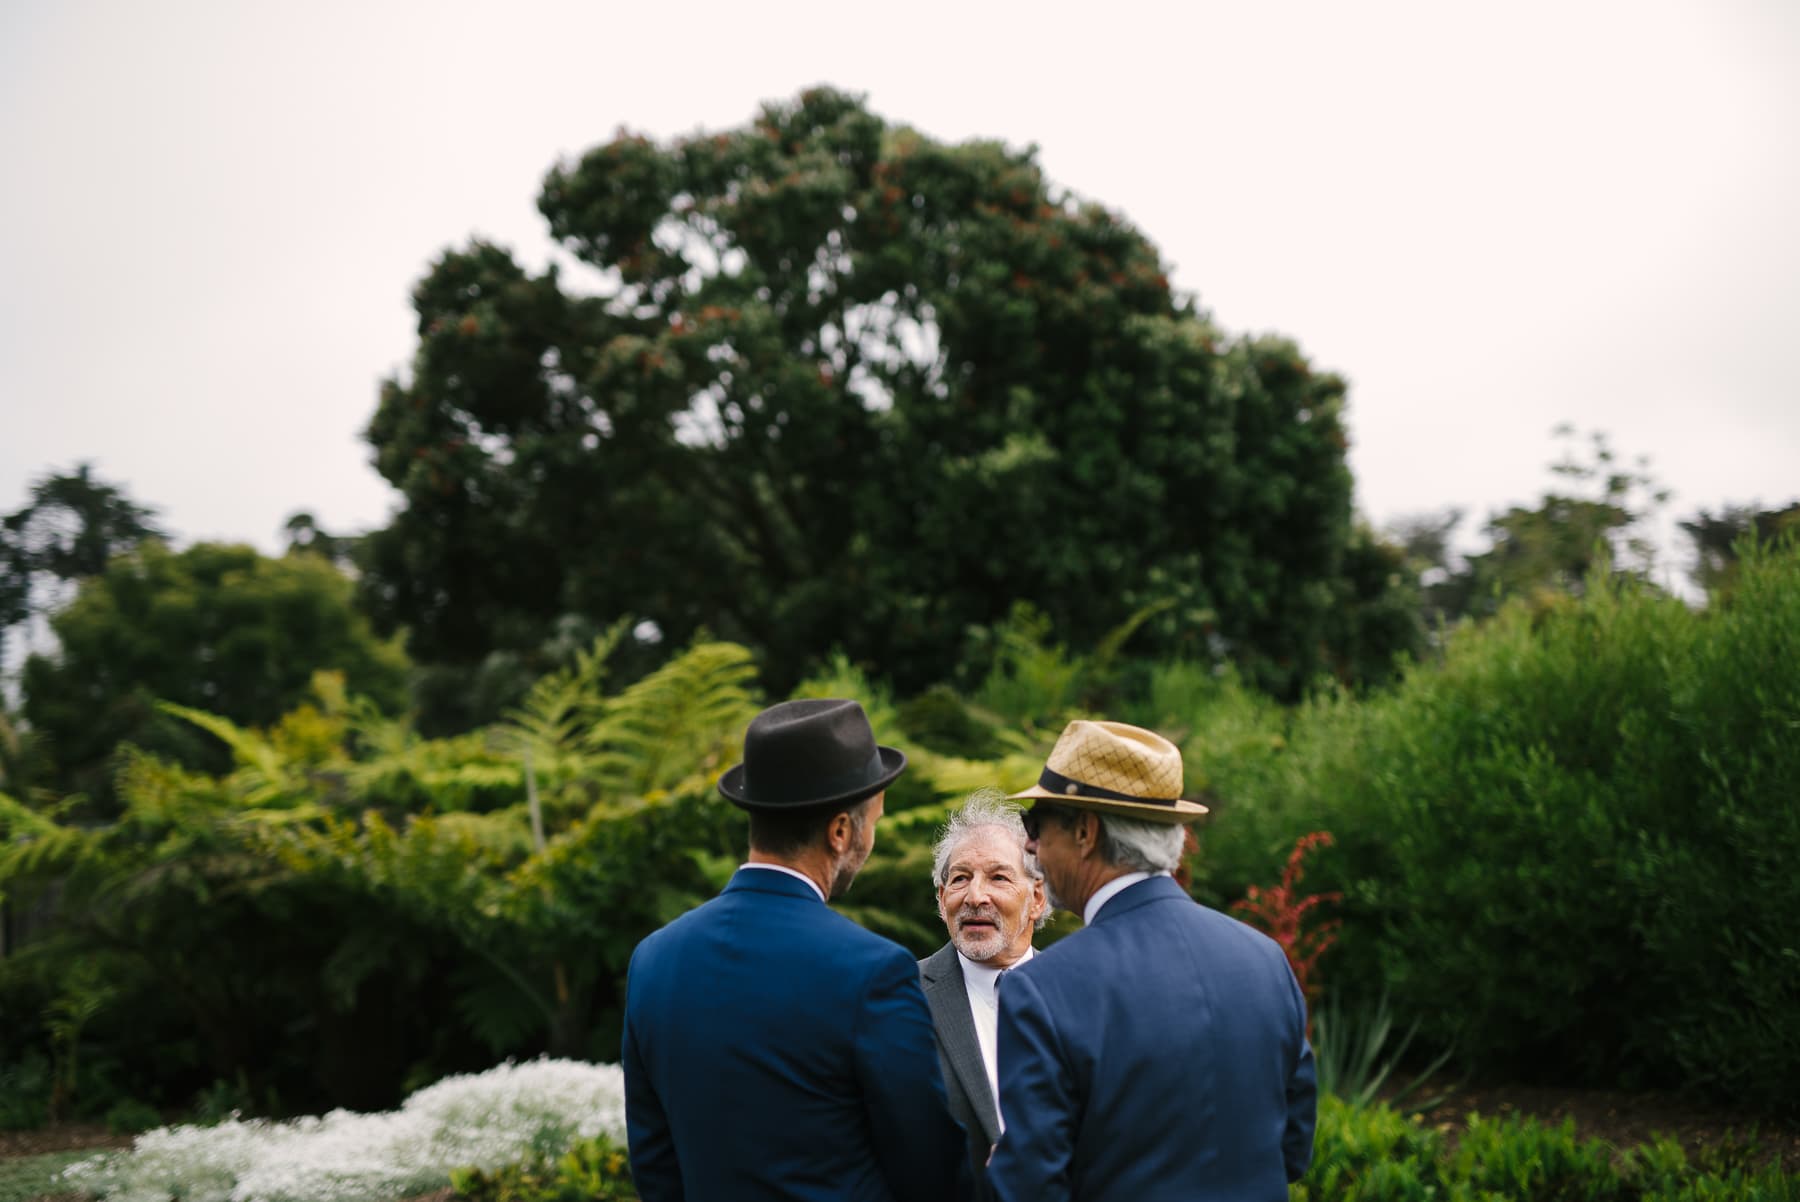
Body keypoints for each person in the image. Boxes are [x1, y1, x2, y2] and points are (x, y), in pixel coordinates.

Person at [621, 698, 970, 1202]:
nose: (870, 840)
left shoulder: (654, 959)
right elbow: (928, 1168)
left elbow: (654, 1164)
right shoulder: (873, 972)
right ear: (840, 832)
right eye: (873, 822)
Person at [987, 719, 1317, 1202]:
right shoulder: (1264, 960)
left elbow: (1029, 1189)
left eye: (1035, 825)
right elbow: (1293, 1151)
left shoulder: (1043, 989)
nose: (1030, 845)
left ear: (1085, 831)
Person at [918, 789, 1049, 1183]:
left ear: (1037, 898)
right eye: (961, 878)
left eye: (998, 877)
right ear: (942, 899)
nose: (976, 896)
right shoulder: (901, 996)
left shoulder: (1082, 993)